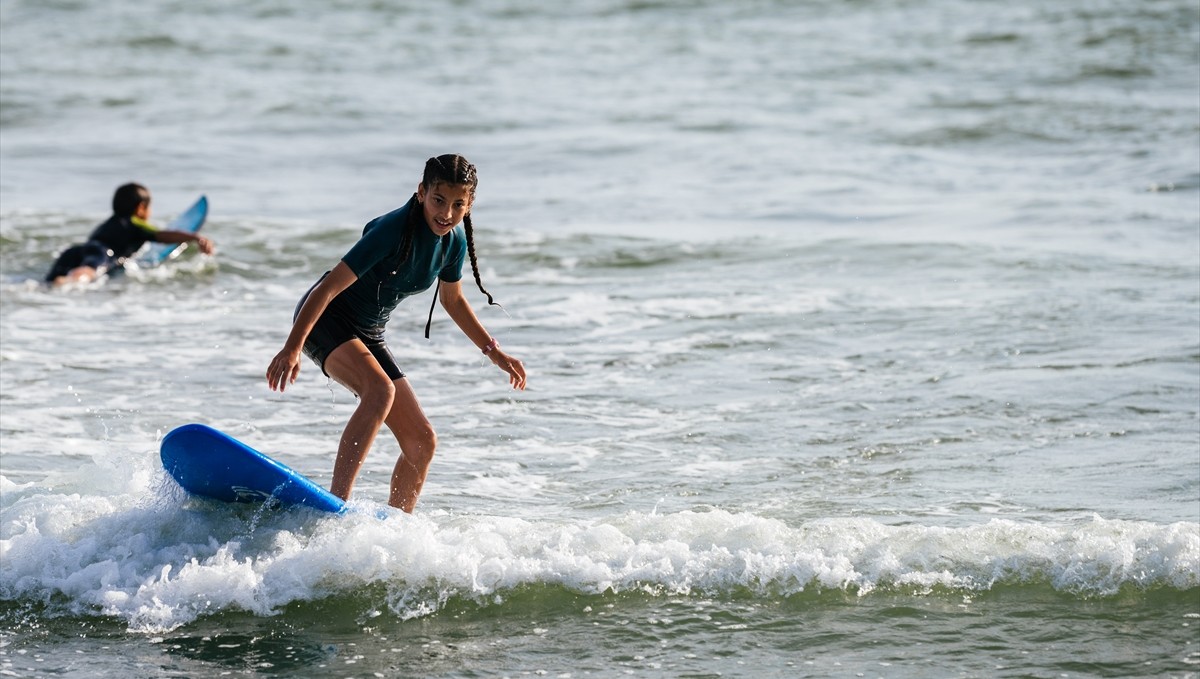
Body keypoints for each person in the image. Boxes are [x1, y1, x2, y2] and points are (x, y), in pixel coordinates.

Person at [265, 154, 527, 513]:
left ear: (469, 204)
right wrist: (292, 347)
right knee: (380, 390)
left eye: (457, 205)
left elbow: (453, 301)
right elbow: (325, 289)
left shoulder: (453, 243)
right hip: (327, 317)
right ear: (421, 192)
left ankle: (397, 527)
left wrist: (494, 351)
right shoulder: (392, 230)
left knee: (422, 441)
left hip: (368, 331)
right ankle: (335, 505)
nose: (446, 213)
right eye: (438, 200)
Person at [45, 182, 215, 285]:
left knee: (51, 281)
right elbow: (162, 236)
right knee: (88, 271)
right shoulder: (136, 224)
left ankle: (58, 281)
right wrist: (194, 237)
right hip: (103, 254)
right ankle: (68, 282)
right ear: (141, 208)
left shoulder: (110, 222)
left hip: (77, 251)